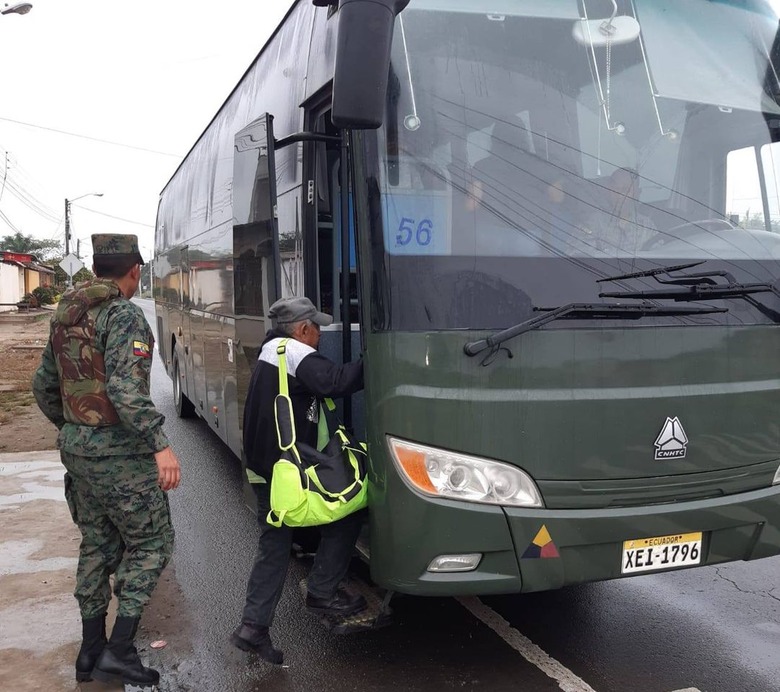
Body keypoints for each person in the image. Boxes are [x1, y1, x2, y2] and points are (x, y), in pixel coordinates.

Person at [32, 233, 181, 689]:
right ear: (134, 270)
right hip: (120, 456)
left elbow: (43, 387)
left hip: (78, 453)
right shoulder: (123, 316)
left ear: (98, 269)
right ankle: (118, 651)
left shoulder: (65, 318)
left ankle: (90, 651)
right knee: (153, 544)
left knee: (97, 546)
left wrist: (77, 431)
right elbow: (125, 390)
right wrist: (160, 444)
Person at [231, 296, 366, 665]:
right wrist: (379, 362)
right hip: (287, 473)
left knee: (274, 546)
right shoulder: (294, 352)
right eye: (317, 328)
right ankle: (322, 590)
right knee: (348, 511)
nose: (320, 334)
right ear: (303, 329)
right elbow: (335, 381)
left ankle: (253, 628)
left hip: (266, 471)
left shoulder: (269, 351)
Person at [585, 167, 657, 254]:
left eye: (625, 190)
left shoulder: (647, 227)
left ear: (637, 193)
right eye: (615, 189)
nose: (619, 194)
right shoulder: (593, 223)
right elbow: (578, 257)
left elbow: (659, 257)